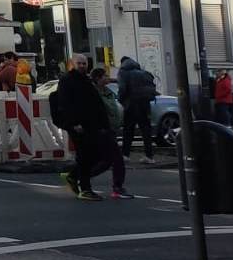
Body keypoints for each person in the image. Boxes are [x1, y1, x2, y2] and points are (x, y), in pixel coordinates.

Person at [52, 54, 110, 202]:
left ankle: (74, 177)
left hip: (90, 124)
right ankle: (85, 188)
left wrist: (103, 123)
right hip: (78, 126)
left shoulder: (86, 80)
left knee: (94, 155)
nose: (83, 66)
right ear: (73, 64)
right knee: (85, 156)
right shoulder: (67, 80)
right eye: (80, 63)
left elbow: (95, 104)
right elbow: (65, 104)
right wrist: (73, 123)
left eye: (84, 63)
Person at [92, 67, 135, 199]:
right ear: (98, 79)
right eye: (105, 76)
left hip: (111, 129)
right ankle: (118, 187)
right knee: (117, 160)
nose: (107, 78)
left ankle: (79, 176)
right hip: (102, 130)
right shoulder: (94, 93)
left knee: (106, 161)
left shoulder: (108, 92)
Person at [116, 56, 158, 164]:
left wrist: (120, 100)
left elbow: (122, 88)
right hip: (145, 105)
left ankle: (125, 155)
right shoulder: (143, 73)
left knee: (128, 130)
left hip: (131, 105)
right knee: (146, 131)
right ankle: (149, 156)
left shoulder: (123, 72)